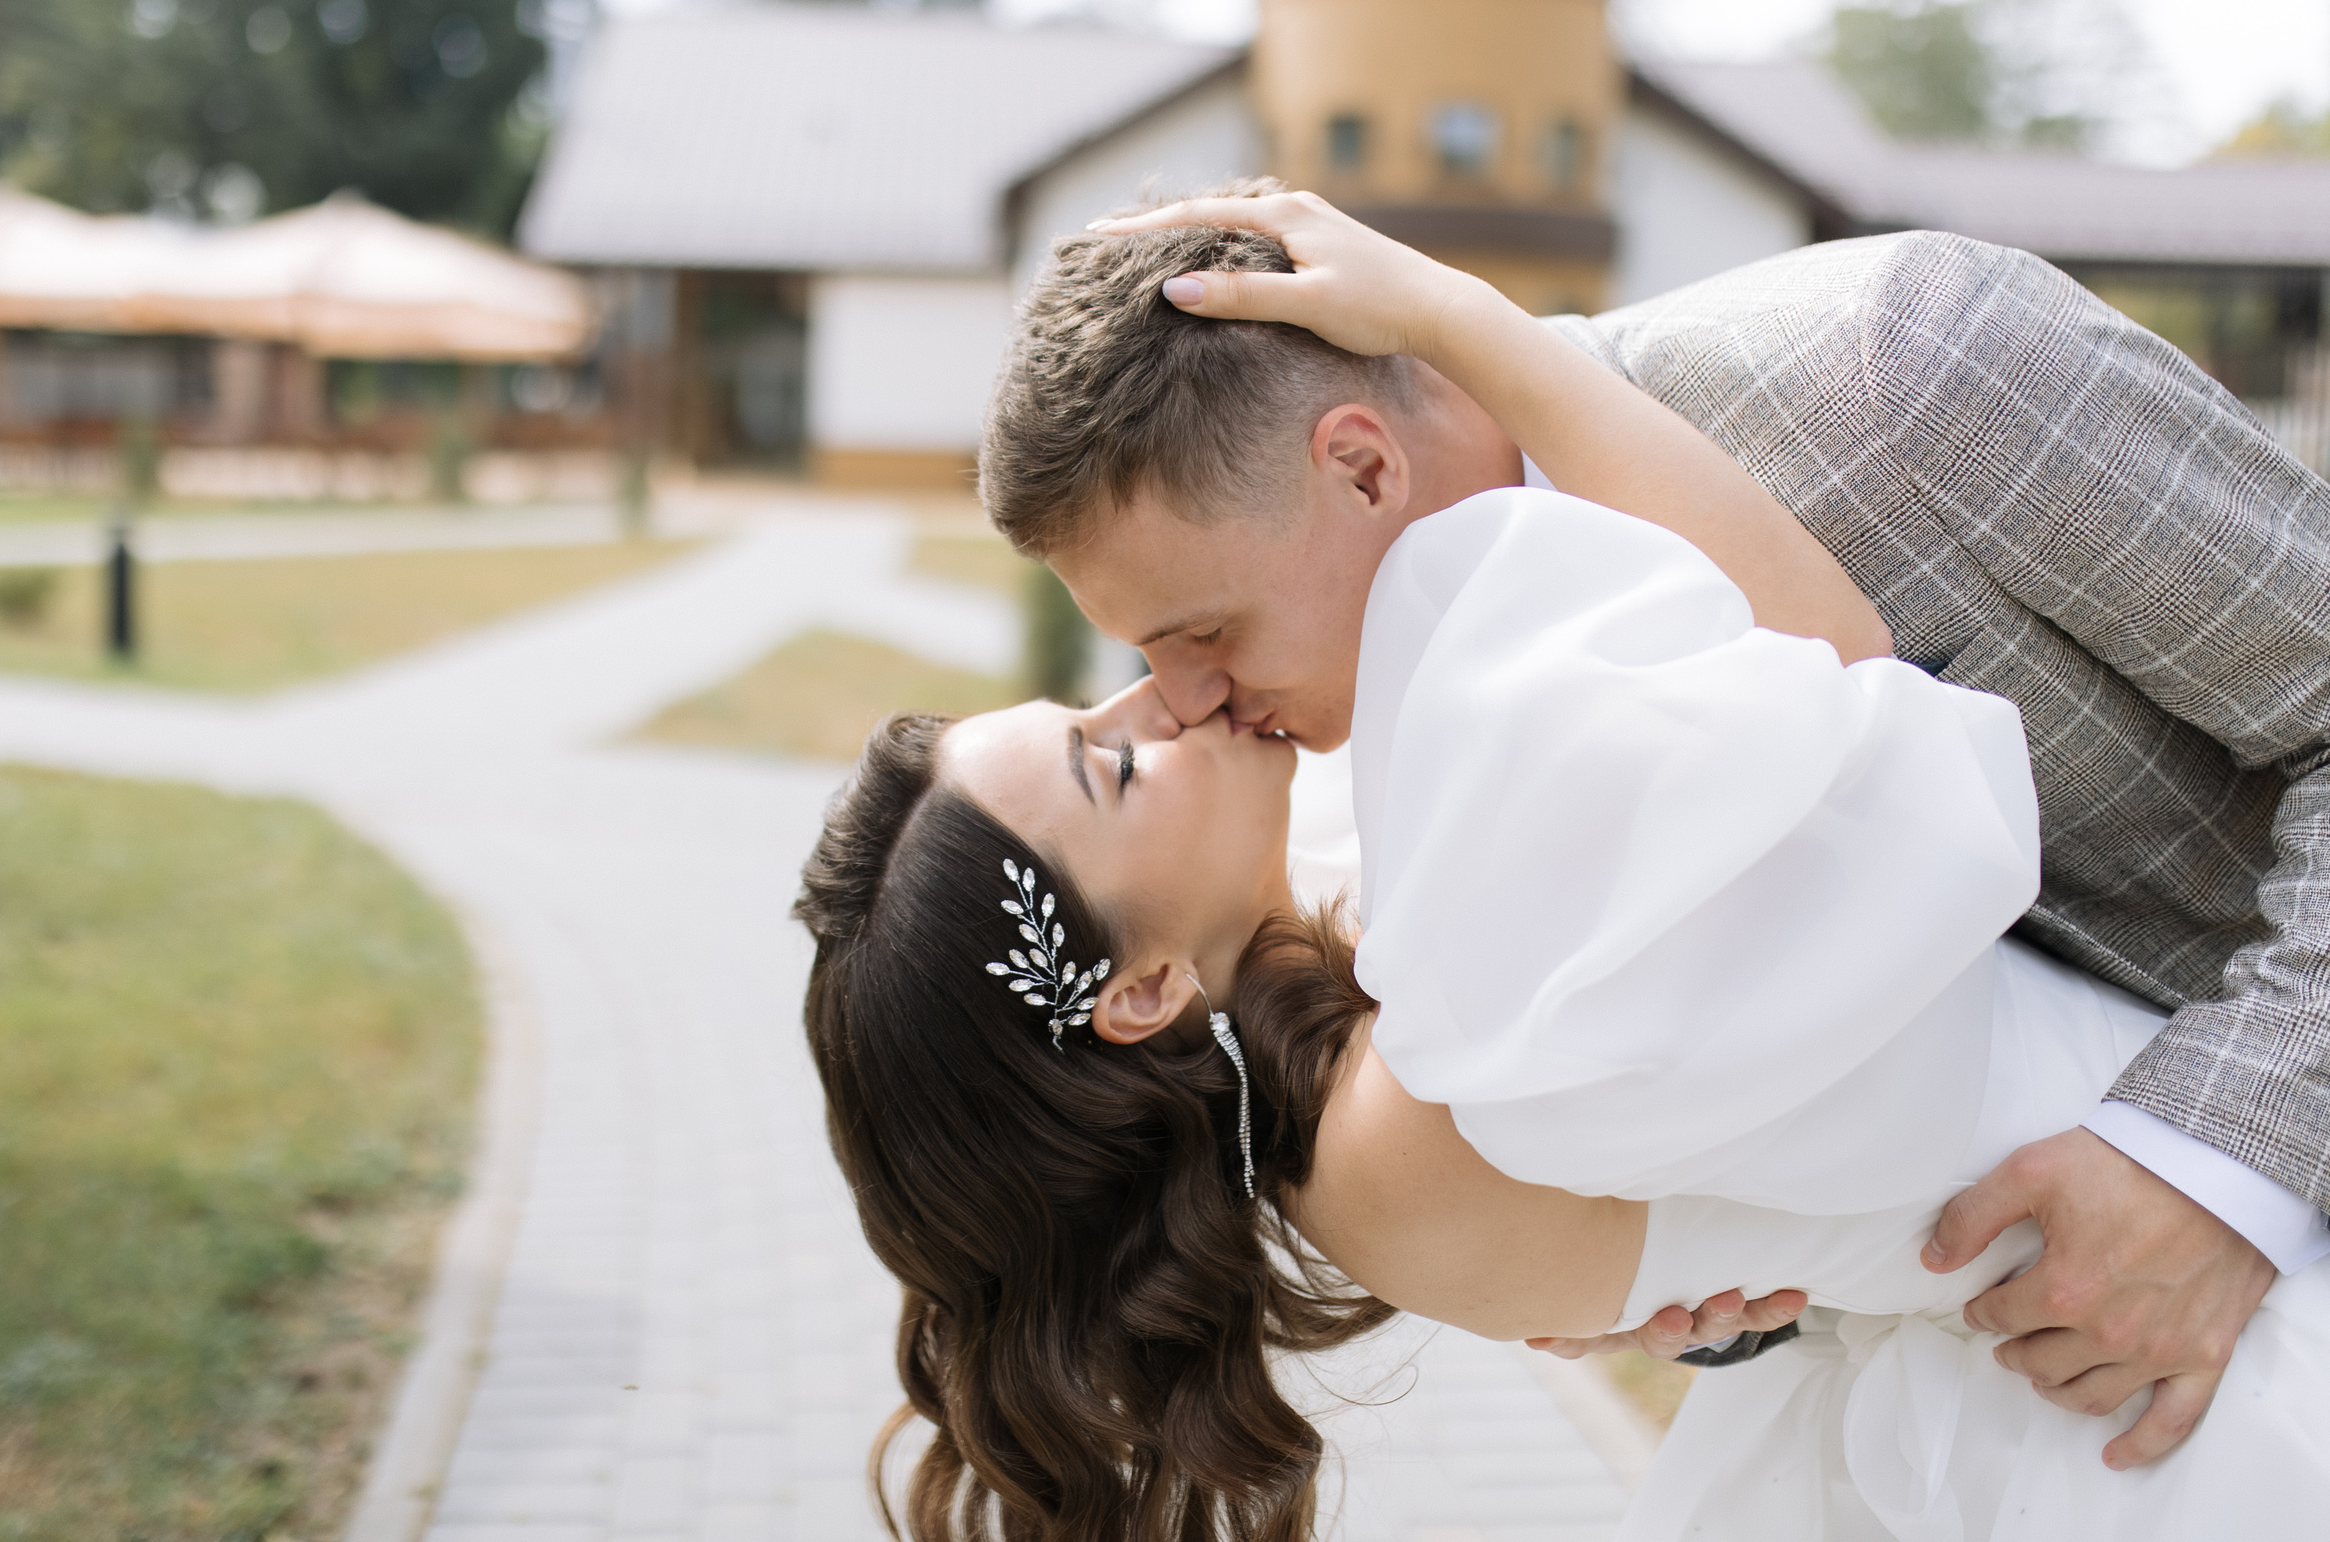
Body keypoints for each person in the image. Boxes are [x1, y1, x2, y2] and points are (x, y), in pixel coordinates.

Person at [977, 185, 2330, 1467]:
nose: (1193, 703)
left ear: (1363, 467)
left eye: (1203, 634)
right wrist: (1717, 1276)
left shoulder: (1908, 374)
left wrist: (2219, 1162)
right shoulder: (1369, 745)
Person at [794, 498, 2330, 1538]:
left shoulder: (1332, 980)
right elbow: (1839, 683)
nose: (1161, 699)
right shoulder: (1399, 1120)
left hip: (2154, 1197)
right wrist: (1483, 347)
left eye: (1095, 704)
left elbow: (1740, 1202)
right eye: (1111, 767)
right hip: (2190, 1333)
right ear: (1139, 990)